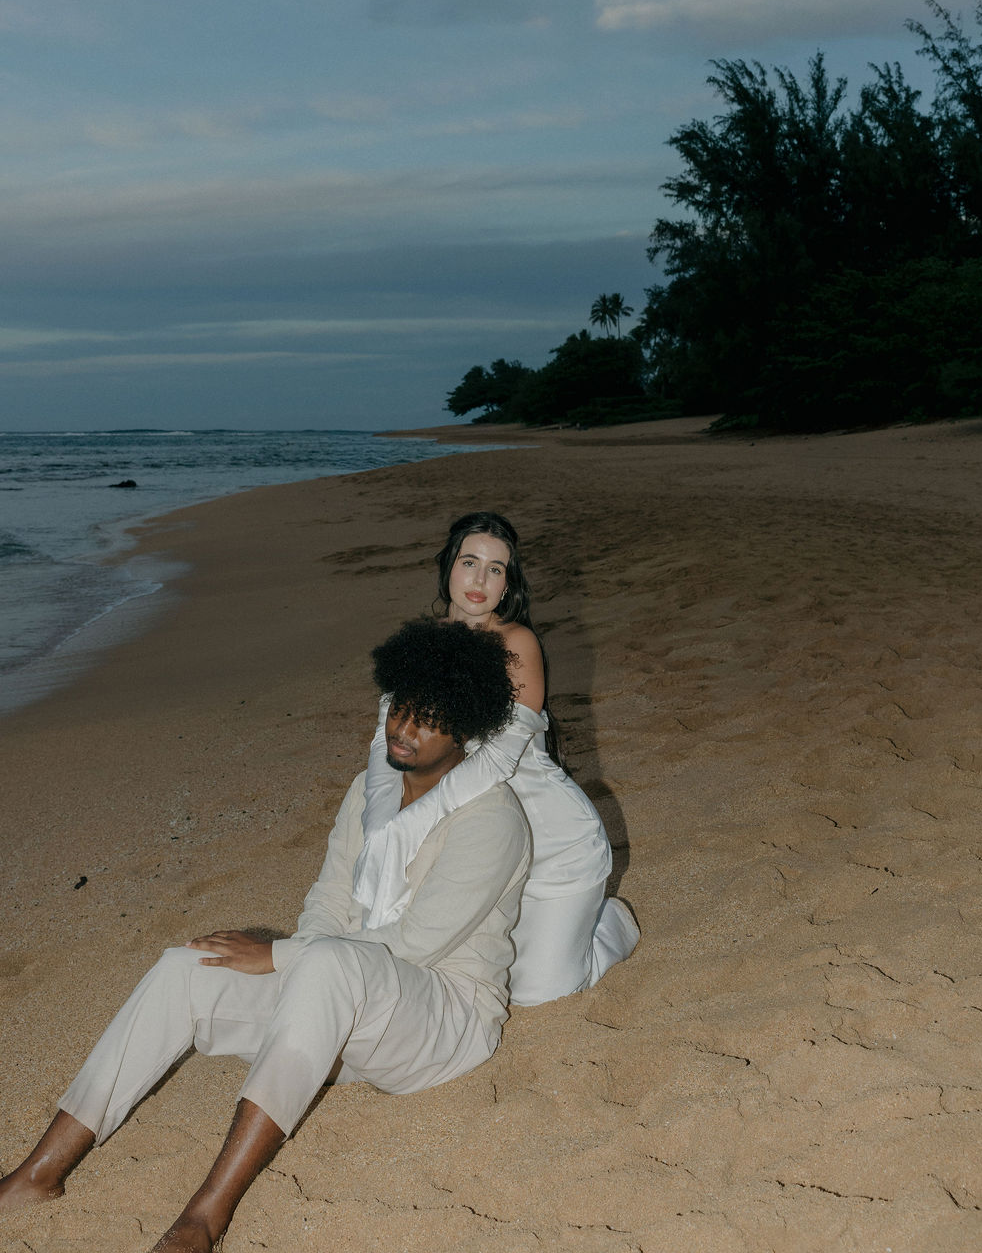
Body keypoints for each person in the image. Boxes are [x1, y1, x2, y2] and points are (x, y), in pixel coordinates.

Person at [0, 620, 531, 1253]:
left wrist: (282, 956)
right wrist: (294, 963)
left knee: (326, 963)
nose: (403, 729)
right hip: (346, 1005)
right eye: (400, 708)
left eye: (428, 720)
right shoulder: (371, 789)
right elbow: (329, 900)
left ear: (465, 727)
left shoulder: (493, 817)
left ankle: (205, 1216)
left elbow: (416, 944)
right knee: (186, 966)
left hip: (442, 1023)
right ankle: (40, 1173)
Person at [357, 510, 639, 1007]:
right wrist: (382, 824)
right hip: (477, 842)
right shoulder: (421, 642)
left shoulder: (517, 644)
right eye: (469, 562)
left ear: (508, 584)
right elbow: (387, 740)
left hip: (551, 843)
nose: (479, 580)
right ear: (449, 566)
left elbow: (496, 762)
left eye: (495, 569)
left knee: (535, 993)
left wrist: (411, 823)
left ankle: (611, 924)